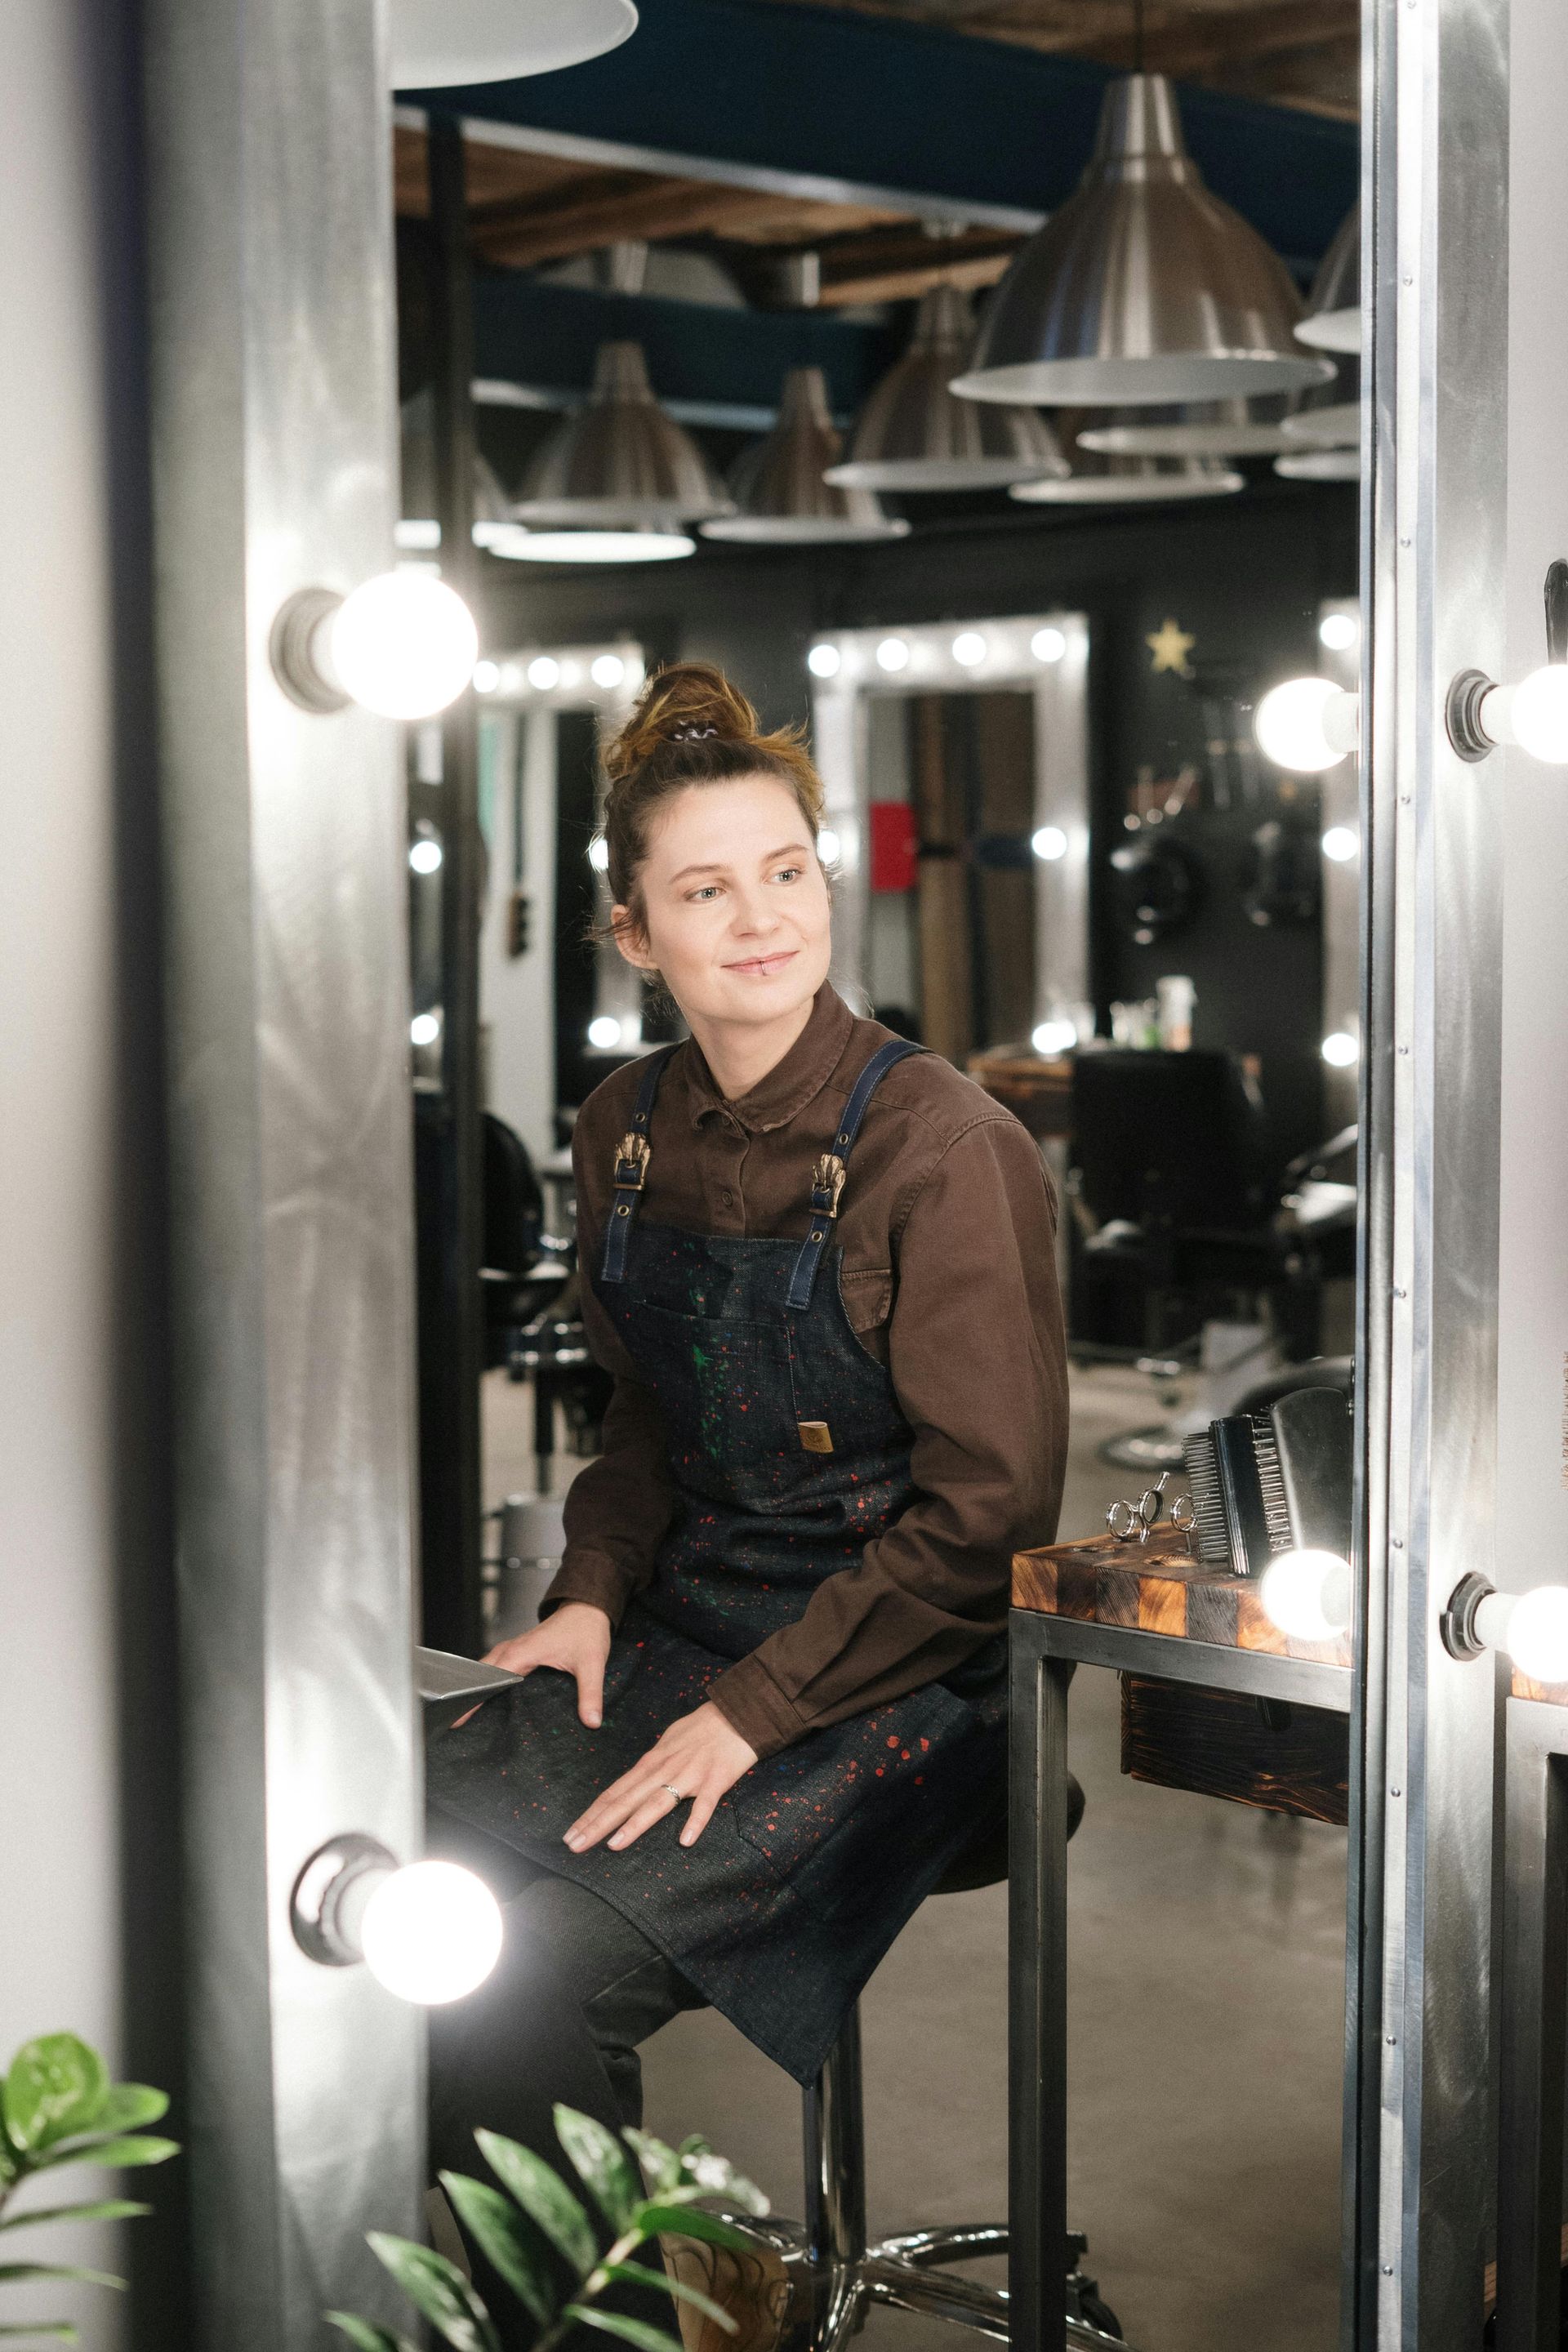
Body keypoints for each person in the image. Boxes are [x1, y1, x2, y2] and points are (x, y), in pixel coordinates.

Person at [426, 662, 1068, 2346]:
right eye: (706, 890)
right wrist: (588, 1590)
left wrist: (754, 1711)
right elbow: (650, 1410)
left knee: (528, 1983)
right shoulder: (621, 1128)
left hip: (904, 1677)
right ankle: (660, 2273)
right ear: (635, 933)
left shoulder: (944, 1146)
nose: (763, 917)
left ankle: (623, 2316)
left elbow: (991, 1513)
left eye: (787, 870)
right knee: (388, 1885)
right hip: (685, 1623)